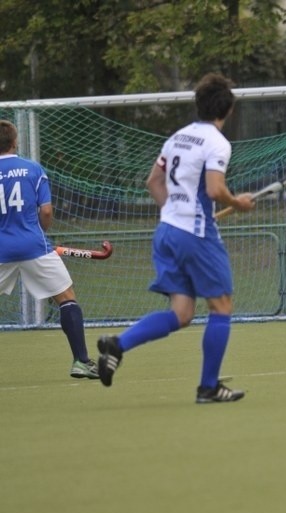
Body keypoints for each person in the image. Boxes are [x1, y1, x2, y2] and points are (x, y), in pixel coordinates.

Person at [96, 73, 255, 403]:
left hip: (167, 231)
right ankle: (208, 388)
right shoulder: (217, 142)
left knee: (182, 313)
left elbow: (153, 181)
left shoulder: (177, 138)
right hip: (195, 234)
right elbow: (214, 189)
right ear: (228, 110)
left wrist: (176, 212)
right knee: (221, 304)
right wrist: (237, 203)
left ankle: (117, 345)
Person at [0, 120, 99, 380]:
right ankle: (81, 361)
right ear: (15, 142)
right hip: (34, 245)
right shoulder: (33, 169)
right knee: (66, 298)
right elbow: (45, 211)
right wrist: (40, 232)